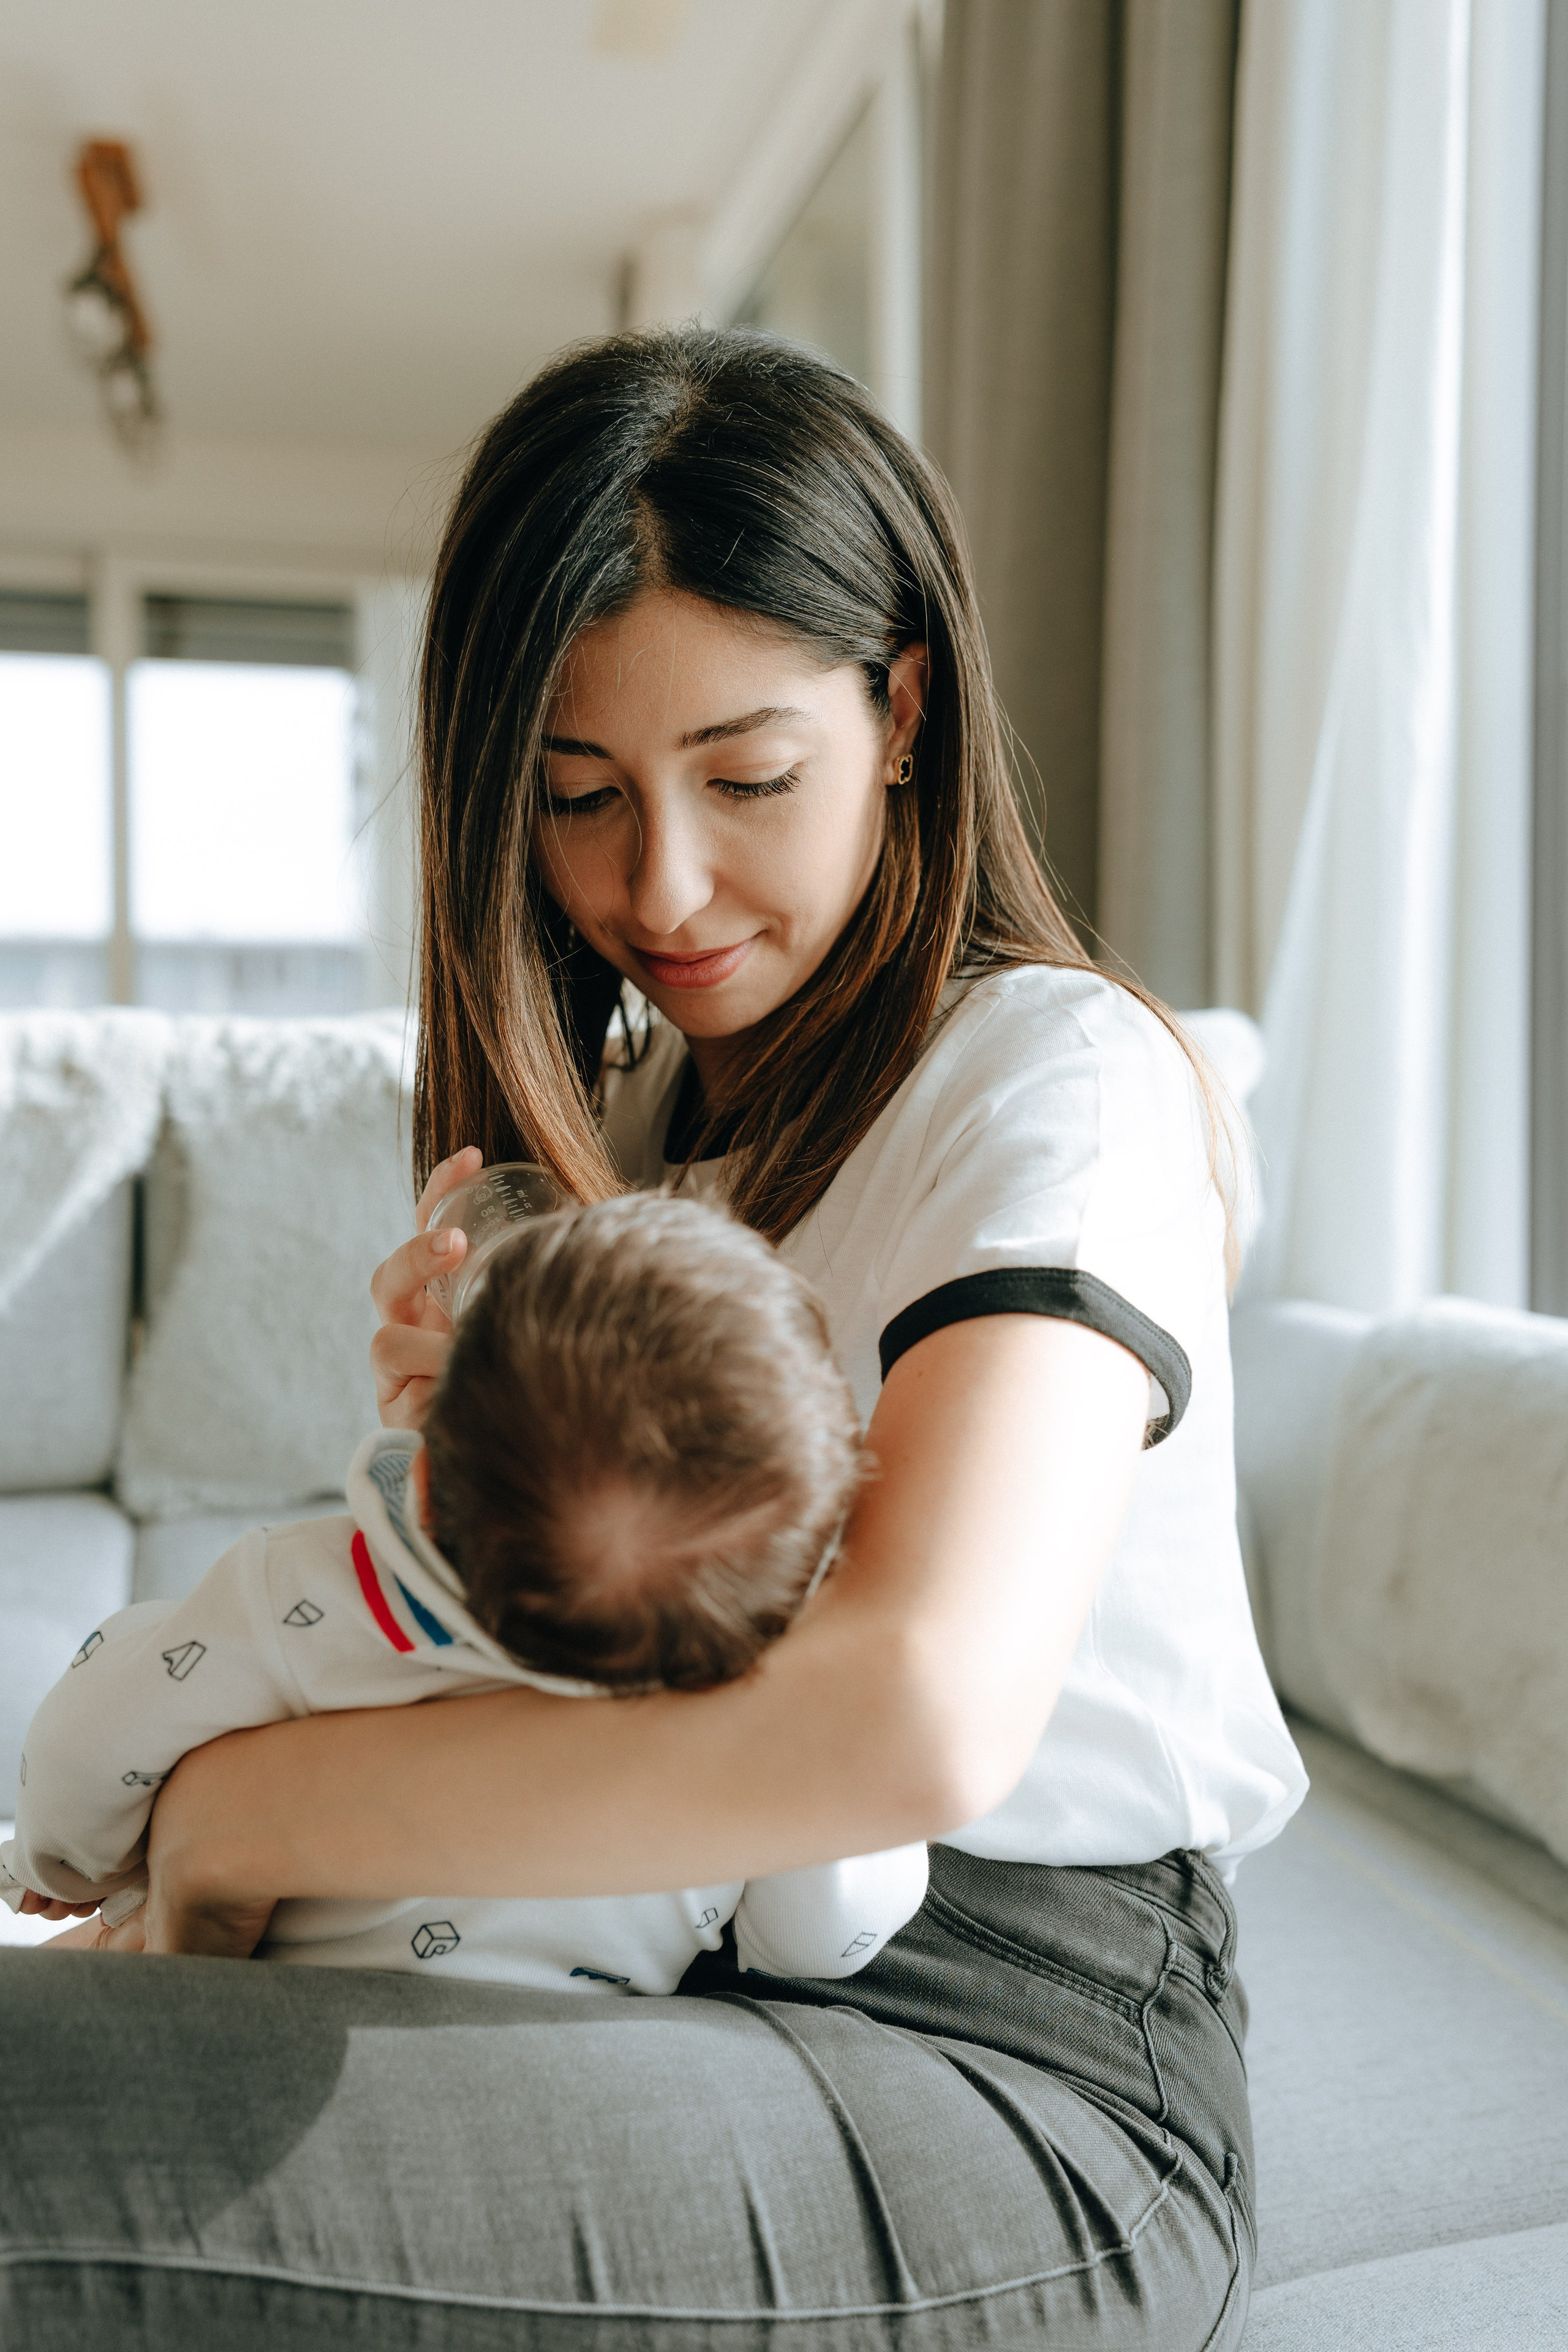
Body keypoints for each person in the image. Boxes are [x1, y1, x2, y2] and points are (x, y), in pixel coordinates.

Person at [0, 326, 1306, 2350]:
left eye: (749, 778)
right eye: (577, 795)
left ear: (903, 712)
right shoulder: (645, 1130)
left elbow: (915, 1717)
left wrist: (254, 1812)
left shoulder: (1051, 1078)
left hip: (1002, 2074)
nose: (660, 886)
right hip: (664, 1966)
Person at [2, 1194, 929, 1989]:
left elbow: (98, 1733)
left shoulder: (308, 1597)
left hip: (277, 2014)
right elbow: (821, 1940)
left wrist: (59, 1859)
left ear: (433, 1488)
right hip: (566, 2071)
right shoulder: (751, 1739)